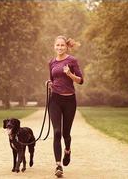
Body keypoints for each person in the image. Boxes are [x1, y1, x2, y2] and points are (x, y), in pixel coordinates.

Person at [47, 35, 84, 177]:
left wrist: (70, 74)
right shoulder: (51, 62)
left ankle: (67, 150)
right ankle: (58, 165)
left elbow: (81, 80)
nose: (60, 47)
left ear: (66, 46)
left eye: (62, 45)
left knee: (65, 133)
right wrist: (49, 84)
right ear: (54, 46)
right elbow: (52, 79)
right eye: (57, 45)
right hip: (55, 100)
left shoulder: (72, 61)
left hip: (69, 101)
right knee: (56, 132)